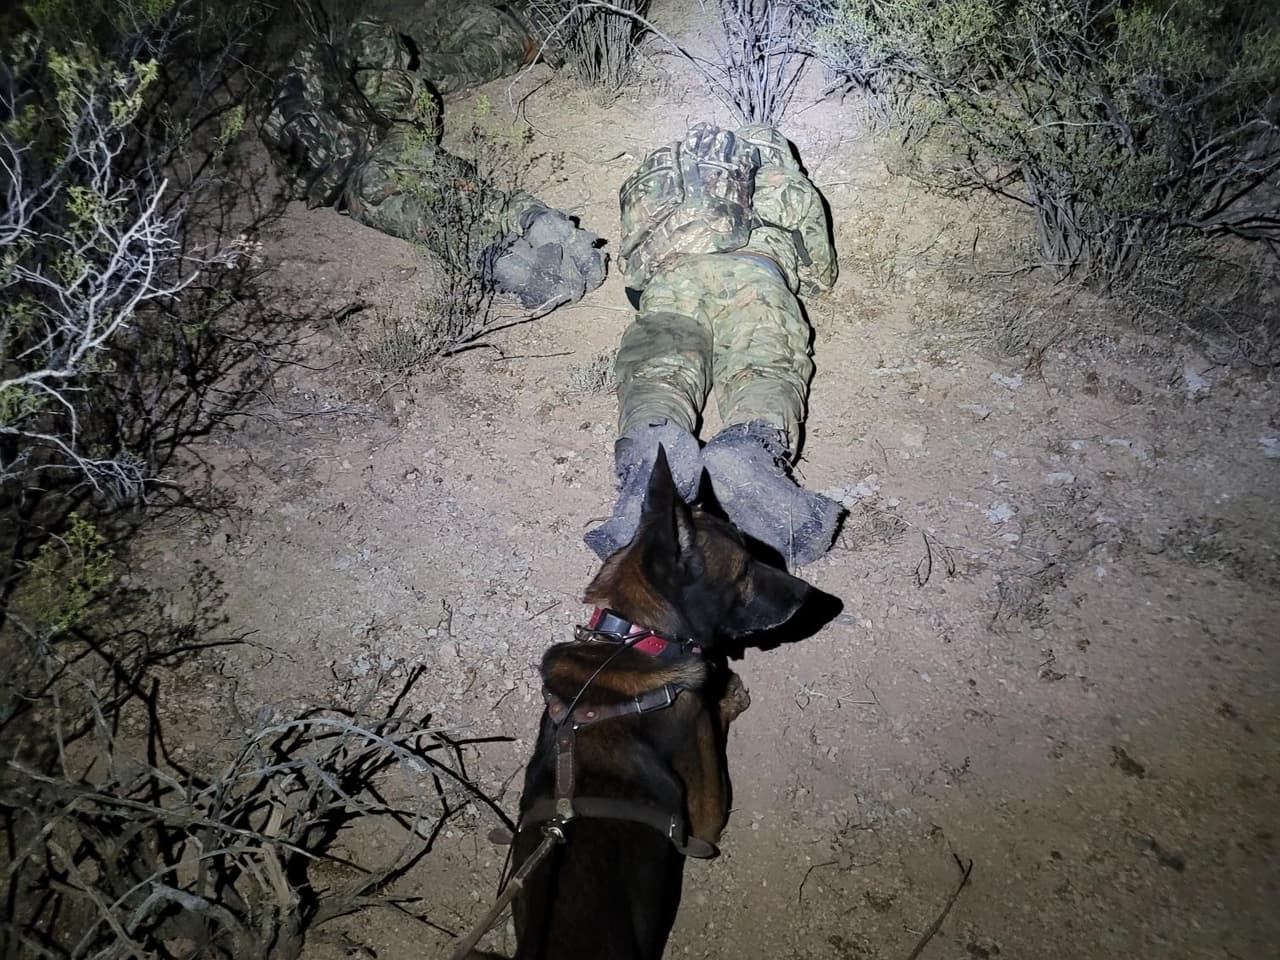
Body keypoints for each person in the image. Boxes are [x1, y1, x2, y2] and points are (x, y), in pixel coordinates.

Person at [584, 122, 843, 567]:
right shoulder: (780, 177)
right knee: (763, 365)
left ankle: (652, 450)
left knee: (660, 373)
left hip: (670, 282)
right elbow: (820, 270)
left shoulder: (664, 179)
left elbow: (634, 271)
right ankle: (749, 446)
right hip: (754, 275)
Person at [258, 12, 604, 312]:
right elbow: (375, 59)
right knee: (475, 195)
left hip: (360, 187)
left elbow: (306, 186)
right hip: (395, 141)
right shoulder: (317, 64)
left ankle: (517, 268)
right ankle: (538, 222)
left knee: (435, 223)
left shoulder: (271, 118)